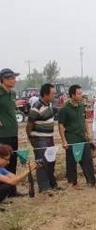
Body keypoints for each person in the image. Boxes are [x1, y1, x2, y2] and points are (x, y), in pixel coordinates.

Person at [58, 85, 96, 189]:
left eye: (81, 93)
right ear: (72, 95)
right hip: (71, 138)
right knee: (71, 162)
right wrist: (64, 141)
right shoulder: (65, 109)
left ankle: (91, 181)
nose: (81, 95)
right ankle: (73, 183)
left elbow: (84, 121)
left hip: (82, 138)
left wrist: (88, 133)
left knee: (87, 160)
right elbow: (61, 125)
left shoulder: (81, 106)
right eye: (78, 94)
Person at [26, 83, 60, 195]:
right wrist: (32, 139)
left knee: (51, 161)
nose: (54, 96)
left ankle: (52, 183)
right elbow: (29, 125)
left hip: (49, 138)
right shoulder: (36, 107)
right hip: (40, 140)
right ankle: (44, 188)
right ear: (45, 94)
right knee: (41, 163)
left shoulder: (49, 106)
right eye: (53, 94)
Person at [0, 68, 21, 197]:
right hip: (2, 134)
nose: (14, 80)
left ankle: (12, 190)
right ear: (3, 79)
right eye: (11, 78)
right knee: (3, 162)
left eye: (14, 78)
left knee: (13, 161)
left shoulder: (12, 94)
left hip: (13, 132)